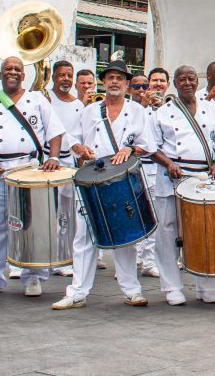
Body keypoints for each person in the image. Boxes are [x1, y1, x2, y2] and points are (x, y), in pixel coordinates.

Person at [53, 61, 161, 310]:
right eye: (110, 77)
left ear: (126, 84)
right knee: (85, 236)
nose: (114, 82)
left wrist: (129, 148)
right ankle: (77, 292)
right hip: (93, 175)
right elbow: (72, 138)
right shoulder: (89, 110)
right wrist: (80, 148)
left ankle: (132, 290)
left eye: (119, 78)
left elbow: (150, 145)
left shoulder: (137, 111)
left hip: (122, 178)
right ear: (104, 81)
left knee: (125, 236)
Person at [0, 56, 64, 298]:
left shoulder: (37, 100)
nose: (13, 72)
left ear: (23, 75)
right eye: (8, 69)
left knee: (31, 227)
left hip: (29, 169)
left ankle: (33, 277)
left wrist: (54, 158)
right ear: (0, 74)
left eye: (17, 69)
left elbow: (55, 132)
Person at [151, 65, 215, 305]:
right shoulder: (163, 112)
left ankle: (205, 285)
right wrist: (168, 164)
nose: (187, 83)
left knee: (203, 232)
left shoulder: (210, 108)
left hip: (203, 178)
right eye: (182, 79)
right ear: (174, 84)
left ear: (197, 82)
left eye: (191, 78)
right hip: (173, 177)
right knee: (168, 233)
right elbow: (152, 147)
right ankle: (172, 287)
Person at [48, 60, 85, 277]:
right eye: (61, 75)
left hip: (69, 163)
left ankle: (63, 259)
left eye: (69, 75)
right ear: (53, 76)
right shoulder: (44, 99)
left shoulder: (78, 105)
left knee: (65, 214)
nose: (65, 79)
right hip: (46, 160)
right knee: (44, 213)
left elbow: (79, 135)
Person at [128, 73, 159, 278]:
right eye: (136, 87)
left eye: (144, 86)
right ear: (129, 89)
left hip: (153, 167)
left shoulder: (157, 109)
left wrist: (151, 108)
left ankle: (149, 261)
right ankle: (132, 260)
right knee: (132, 215)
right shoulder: (126, 109)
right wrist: (144, 107)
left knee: (153, 215)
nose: (141, 90)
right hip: (132, 167)